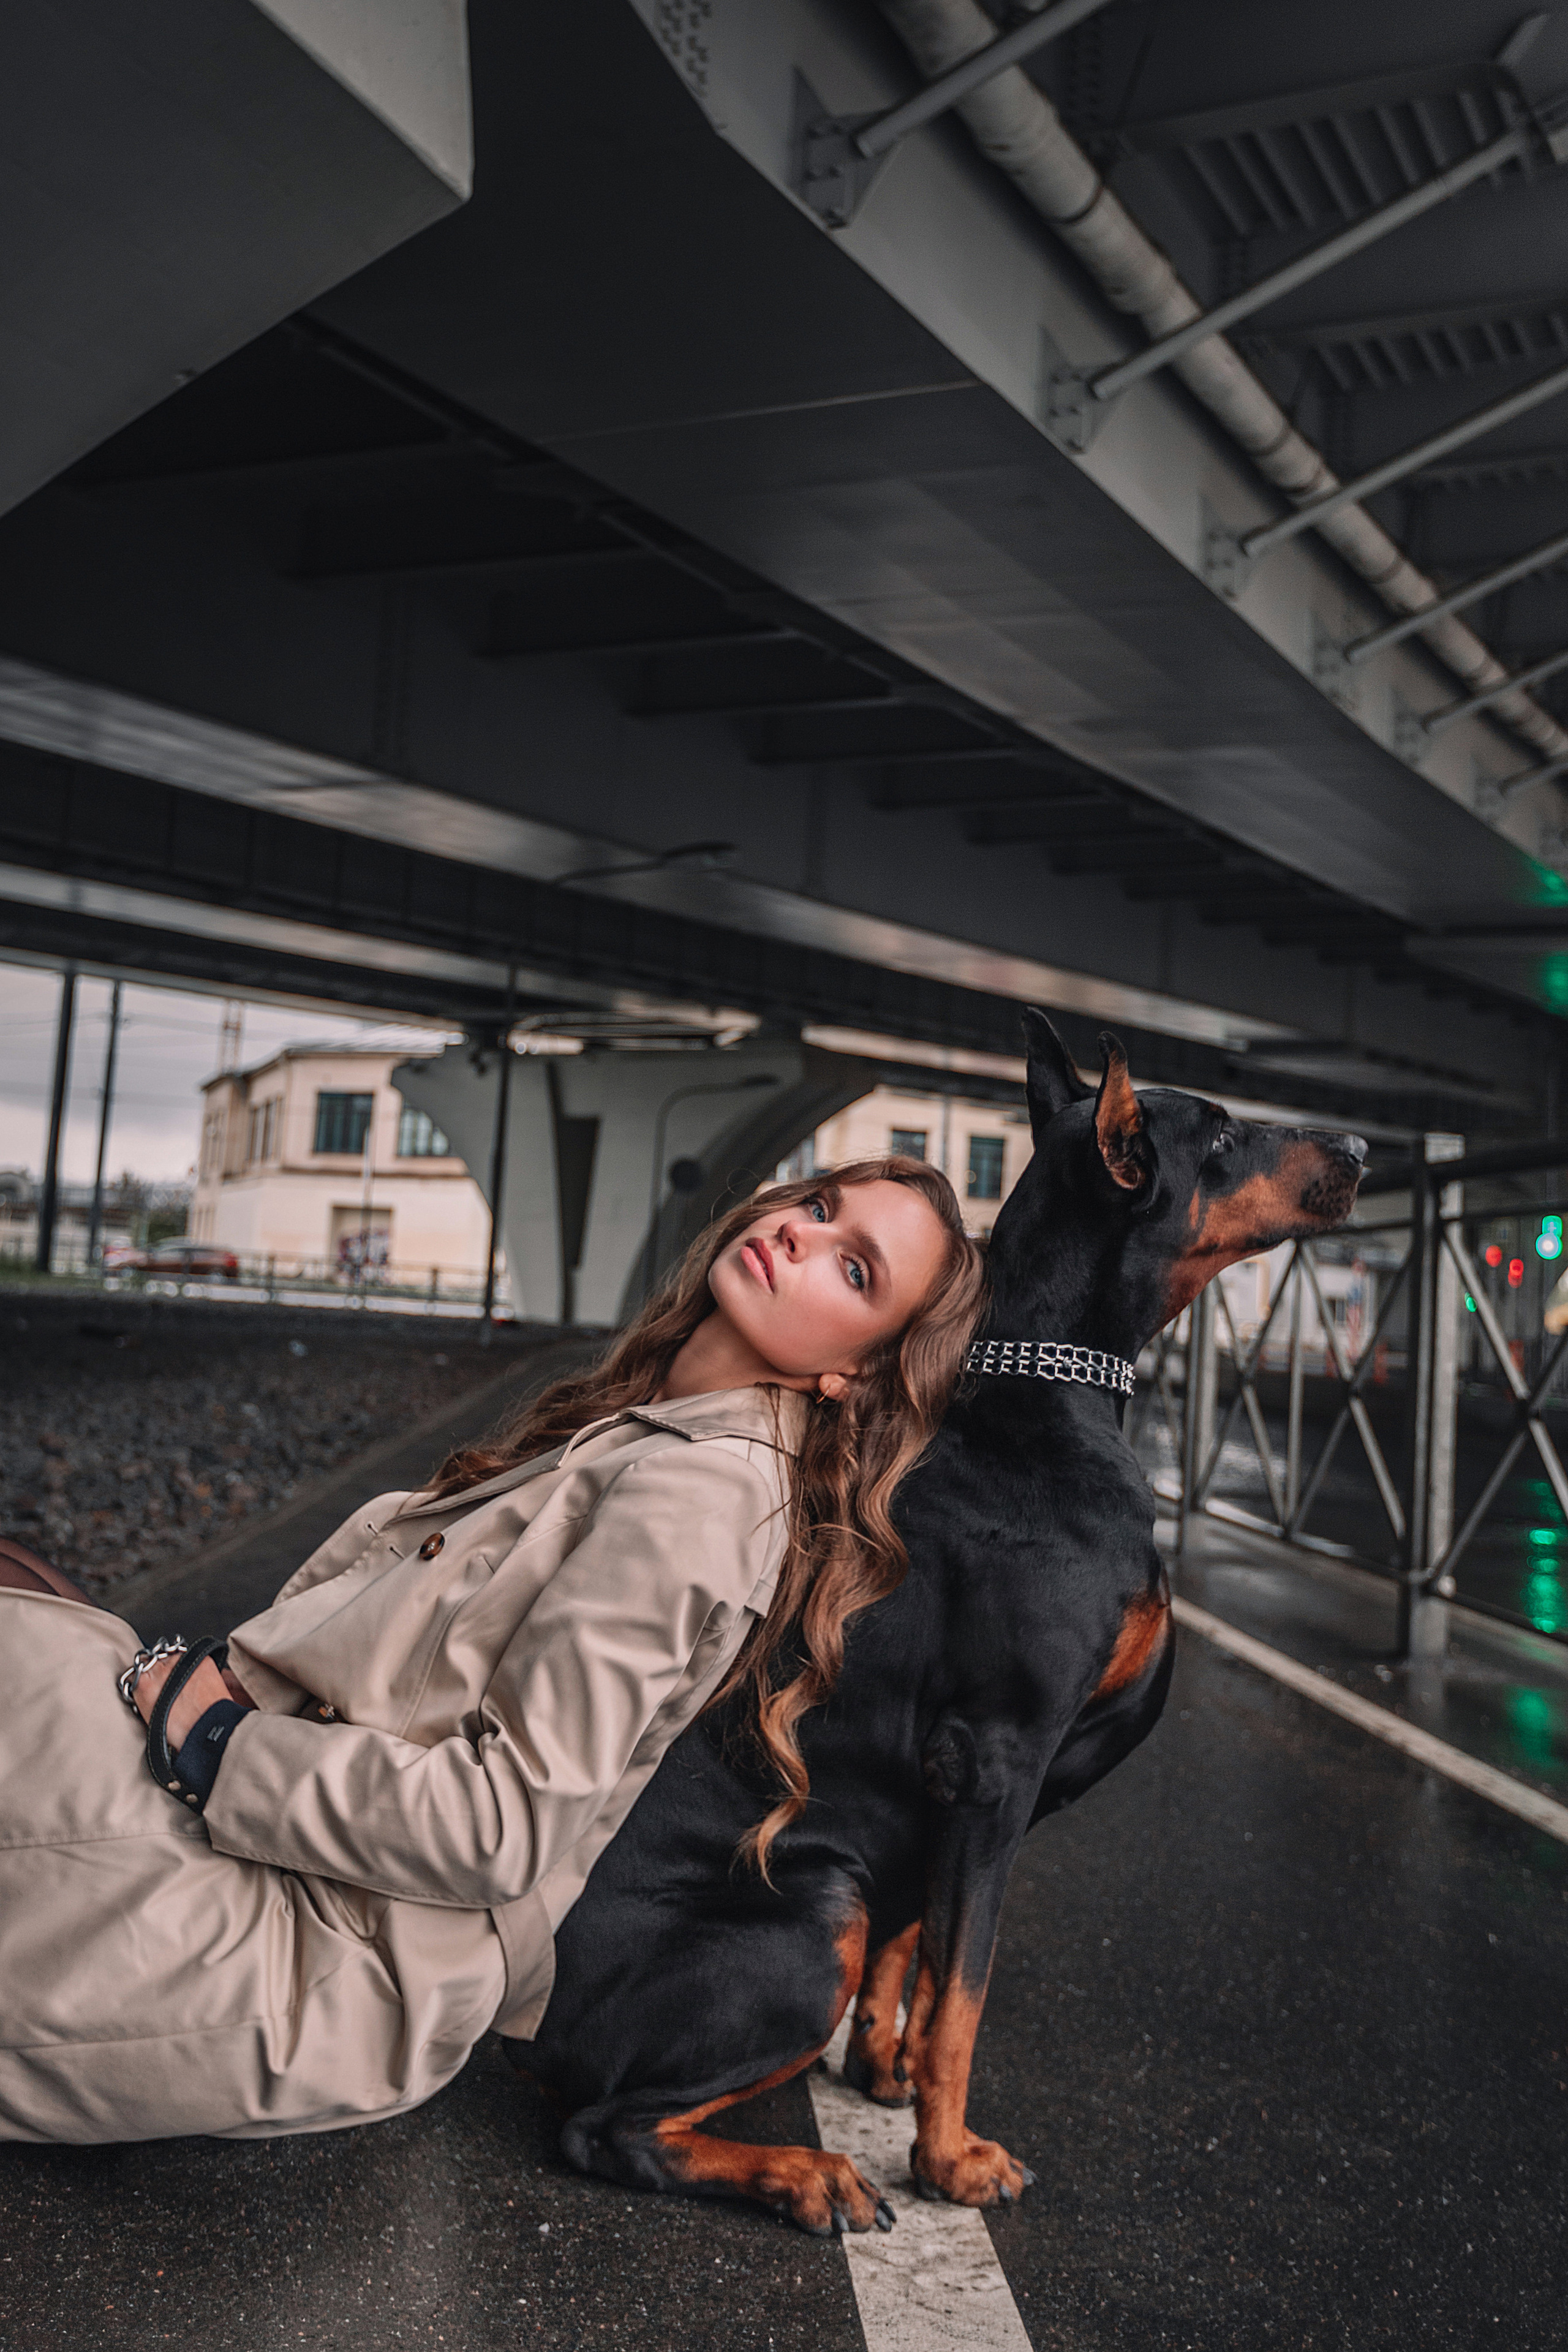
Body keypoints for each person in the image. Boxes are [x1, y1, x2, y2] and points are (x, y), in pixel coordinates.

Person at [0, 1160, 984, 2144]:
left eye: (856, 1272)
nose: (802, 1237)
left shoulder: (702, 1497)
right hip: (275, 1849)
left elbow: (496, 1827)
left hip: (320, 1944)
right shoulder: (648, 1434)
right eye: (818, 1207)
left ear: (852, 1374)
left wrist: (216, 1741)